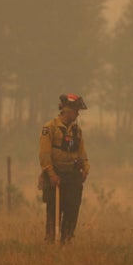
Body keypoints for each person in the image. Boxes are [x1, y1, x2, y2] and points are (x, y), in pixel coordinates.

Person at [38, 93, 90, 243]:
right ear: (67, 110)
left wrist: (86, 169)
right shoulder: (50, 128)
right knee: (53, 212)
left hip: (72, 176)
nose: (78, 114)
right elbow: (44, 154)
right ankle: (50, 242)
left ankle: (66, 242)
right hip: (55, 176)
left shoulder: (77, 130)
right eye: (76, 111)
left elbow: (82, 153)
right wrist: (52, 174)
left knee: (72, 210)